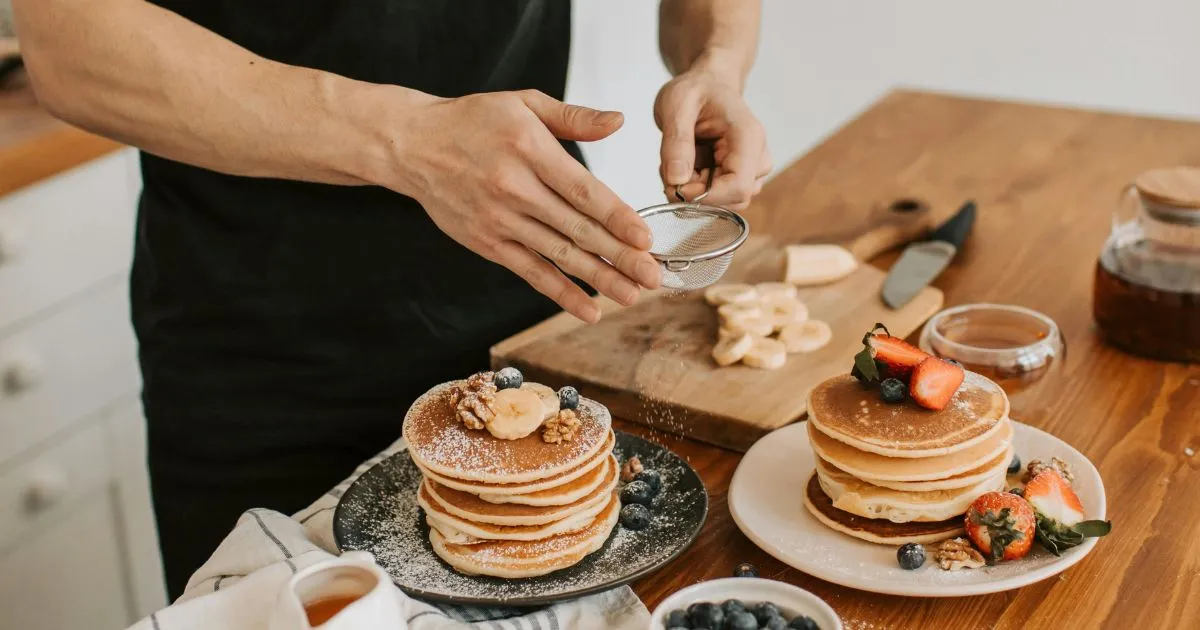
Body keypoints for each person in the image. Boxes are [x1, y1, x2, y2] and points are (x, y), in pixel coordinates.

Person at [12, 0, 770, 599]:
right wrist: (406, 140)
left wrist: (717, 63)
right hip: (261, 351)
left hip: (531, 323)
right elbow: (70, 43)